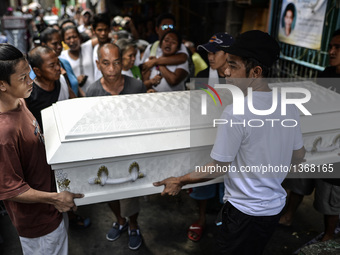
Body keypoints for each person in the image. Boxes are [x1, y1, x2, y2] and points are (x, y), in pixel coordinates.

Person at [154, 30, 305, 254]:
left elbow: (219, 167)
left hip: (244, 212)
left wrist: (180, 180)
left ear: (255, 72)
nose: (226, 71)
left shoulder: (237, 113)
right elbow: (299, 156)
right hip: (273, 209)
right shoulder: (289, 107)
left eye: (233, 66)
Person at [0, 43, 83, 255]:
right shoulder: (4, 133)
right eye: (23, 78)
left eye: (29, 73)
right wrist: (56, 199)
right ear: (2, 85)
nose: (31, 81)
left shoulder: (20, 100)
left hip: (52, 206)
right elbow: (12, 189)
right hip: (38, 222)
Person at [280, 28, 340, 243]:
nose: (331, 51)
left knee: (330, 195)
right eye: (330, 47)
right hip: (316, 138)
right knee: (298, 180)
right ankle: (288, 215)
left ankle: (329, 234)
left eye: (337, 47)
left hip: (336, 149)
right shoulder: (327, 73)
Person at [86, 43, 146, 250]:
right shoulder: (93, 91)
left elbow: (144, 120)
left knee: (131, 190)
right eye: (105, 63)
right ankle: (120, 220)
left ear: (123, 63)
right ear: (98, 64)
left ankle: (133, 224)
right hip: (105, 153)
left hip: (131, 150)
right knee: (109, 189)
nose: (111, 68)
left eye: (116, 62)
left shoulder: (137, 86)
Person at [185, 32, 234, 242]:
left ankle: (227, 220)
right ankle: (202, 218)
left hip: (233, 140)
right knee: (204, 180)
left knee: (230, 185)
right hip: (207, 137)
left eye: (216, 52)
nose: (211, 57)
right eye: (208, 53)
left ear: (229, 54)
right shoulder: (202, 76)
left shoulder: (241, 77)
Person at [40, 27, 80, 96]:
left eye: (60, 43)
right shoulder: (39, 69)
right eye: (54, 44)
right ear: (44, 45)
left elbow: (75, 87)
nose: (59, 47)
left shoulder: (65, 63)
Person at [60, 25, 97, 92]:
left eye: (74, 37)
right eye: (68, 38)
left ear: (79, 37)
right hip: (77, 95)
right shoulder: (62, 56)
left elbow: (102, 38)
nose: (72, 40)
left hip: (94, 92)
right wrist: (75, 80)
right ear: (64, 41)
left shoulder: (88, 46)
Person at [92, 13, 112, 82]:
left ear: (109, 30)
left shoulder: (115, 48)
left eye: (105, 30)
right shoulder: (94, 49)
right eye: (100, 30)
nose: (103, 33)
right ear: (94, 31)